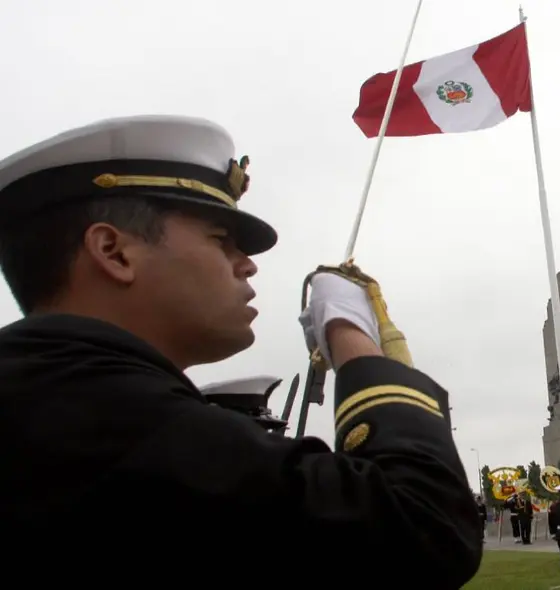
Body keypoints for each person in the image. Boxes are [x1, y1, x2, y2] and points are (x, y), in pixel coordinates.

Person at [0, 115, 482, 584]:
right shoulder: (107, 415)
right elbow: (421, 529)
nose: (247, 265)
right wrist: (351, 333)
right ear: (114, 251)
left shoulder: (55, 391)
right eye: (220, 240)